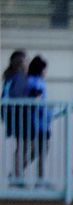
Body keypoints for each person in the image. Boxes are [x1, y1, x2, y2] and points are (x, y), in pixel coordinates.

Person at [23, 56, 52, 189]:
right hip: (38, 123)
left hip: (38, 122)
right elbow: (37, 100)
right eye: (45, 69)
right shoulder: (37, 82)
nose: (46, 72)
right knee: (41, 150)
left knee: (39, 150)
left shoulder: (30, 81)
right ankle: (39, 179)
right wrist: (47, 112)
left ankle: (19, 172)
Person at [3, 50, 30, 187]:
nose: (28, 63)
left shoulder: (12, 76)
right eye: (27, 60)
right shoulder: (19, 77)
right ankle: (17, 175)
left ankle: (16, 174)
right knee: (24, 145)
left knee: (23, 145)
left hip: (14, 116)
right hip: (20, 116)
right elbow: (16, 96)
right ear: (21, 63)